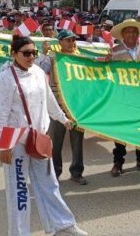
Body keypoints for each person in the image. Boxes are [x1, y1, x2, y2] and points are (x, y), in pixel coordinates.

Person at [0, 36, 87, 236]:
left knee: (49, 183)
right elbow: (0, 114)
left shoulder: (37, 72)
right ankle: (19, 233)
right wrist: (4, 146)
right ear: (14, 54)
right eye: (26, 53)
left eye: (33, 53)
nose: (31, 57)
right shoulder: (5, 79)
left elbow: (49, 99)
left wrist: (63, 119)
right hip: (16, 142)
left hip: (39, 139)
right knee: (19, 192)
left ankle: (61, 225)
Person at [108, 19, 140, 176]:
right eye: (128, 31)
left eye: (134, 31)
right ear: (122, 35)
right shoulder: (114, 51)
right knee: (121, 131)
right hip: (123, 98)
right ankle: (118, 162)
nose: (131, 34)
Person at [47, 29, 87, 184]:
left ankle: (77, 172)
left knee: (77, 142)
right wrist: (44, 52)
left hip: (76, 107)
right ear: (60, 42)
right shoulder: (53, 58)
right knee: (56, 142)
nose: (71, 43)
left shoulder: (80, 58)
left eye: (73, 40)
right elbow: (38, 63)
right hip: (57, 106)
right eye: (68, 40)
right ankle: (55, 173)